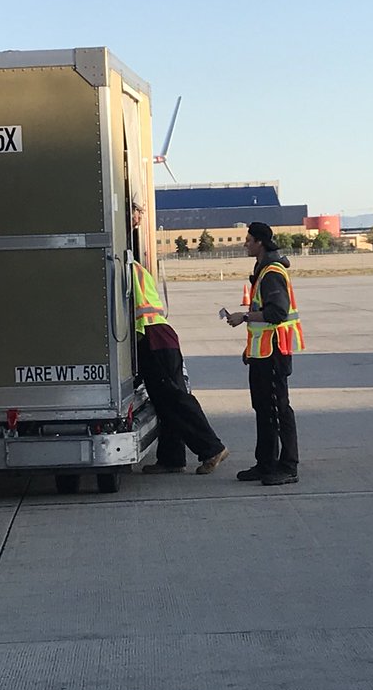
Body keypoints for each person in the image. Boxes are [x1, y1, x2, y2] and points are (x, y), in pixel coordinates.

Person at [130, 203, 229, 475]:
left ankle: (212, 448)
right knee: (165, 401)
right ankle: (172, 459)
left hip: (154, 337)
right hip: (159, 336)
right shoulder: (136, 268)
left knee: (174, 398)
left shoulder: (128, 270)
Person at [224, 221, 304, 485]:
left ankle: (288, 466)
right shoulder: (263, 270)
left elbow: (277, 312)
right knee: (263, 408)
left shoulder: (271, 273)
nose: (245, 244)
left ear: (260, 242)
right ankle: (266, 463)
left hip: (274, 354)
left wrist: (244, 316)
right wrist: (250, 349)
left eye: (249, 240)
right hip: (262, 353)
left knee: (279, 408)